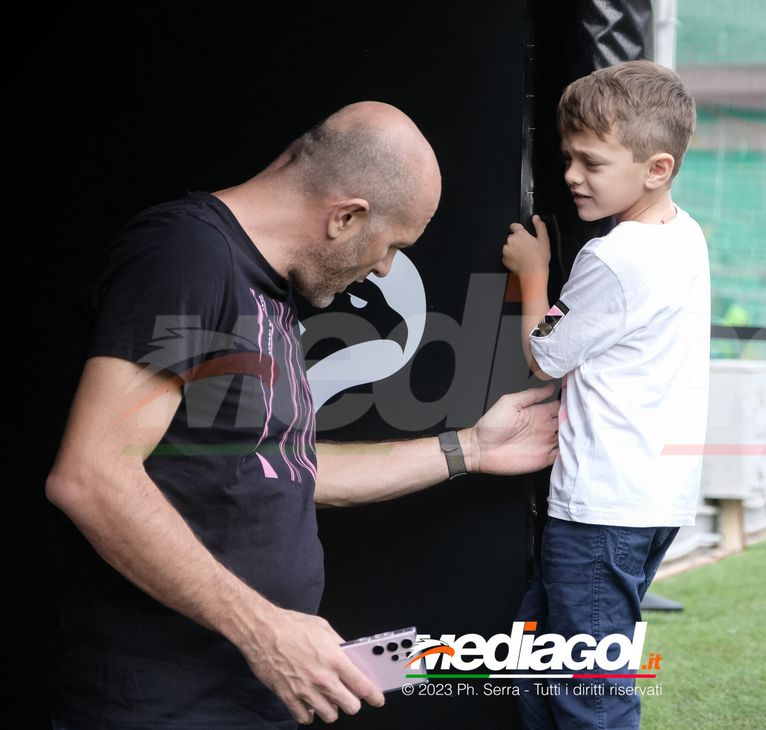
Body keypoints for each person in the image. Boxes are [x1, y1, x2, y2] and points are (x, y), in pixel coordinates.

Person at [46, 101, 560, 729]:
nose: (385, 268)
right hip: (160, 706)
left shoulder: (267, 288)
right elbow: (91, 477)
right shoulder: (186, 257)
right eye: (392, 245)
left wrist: (470, 449)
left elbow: (277, 471)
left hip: (244, 701)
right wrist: (266, 633)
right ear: (346, 216)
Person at [501, 61, 710, 729]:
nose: (570, 175)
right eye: (567, 158)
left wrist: (533, 275)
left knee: (589, 689)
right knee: (538, 661)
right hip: (648, 501)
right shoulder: (685, 232)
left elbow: (544, 354)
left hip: (602, 510)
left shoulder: (616, 256)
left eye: (591, 162)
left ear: (657, 169)